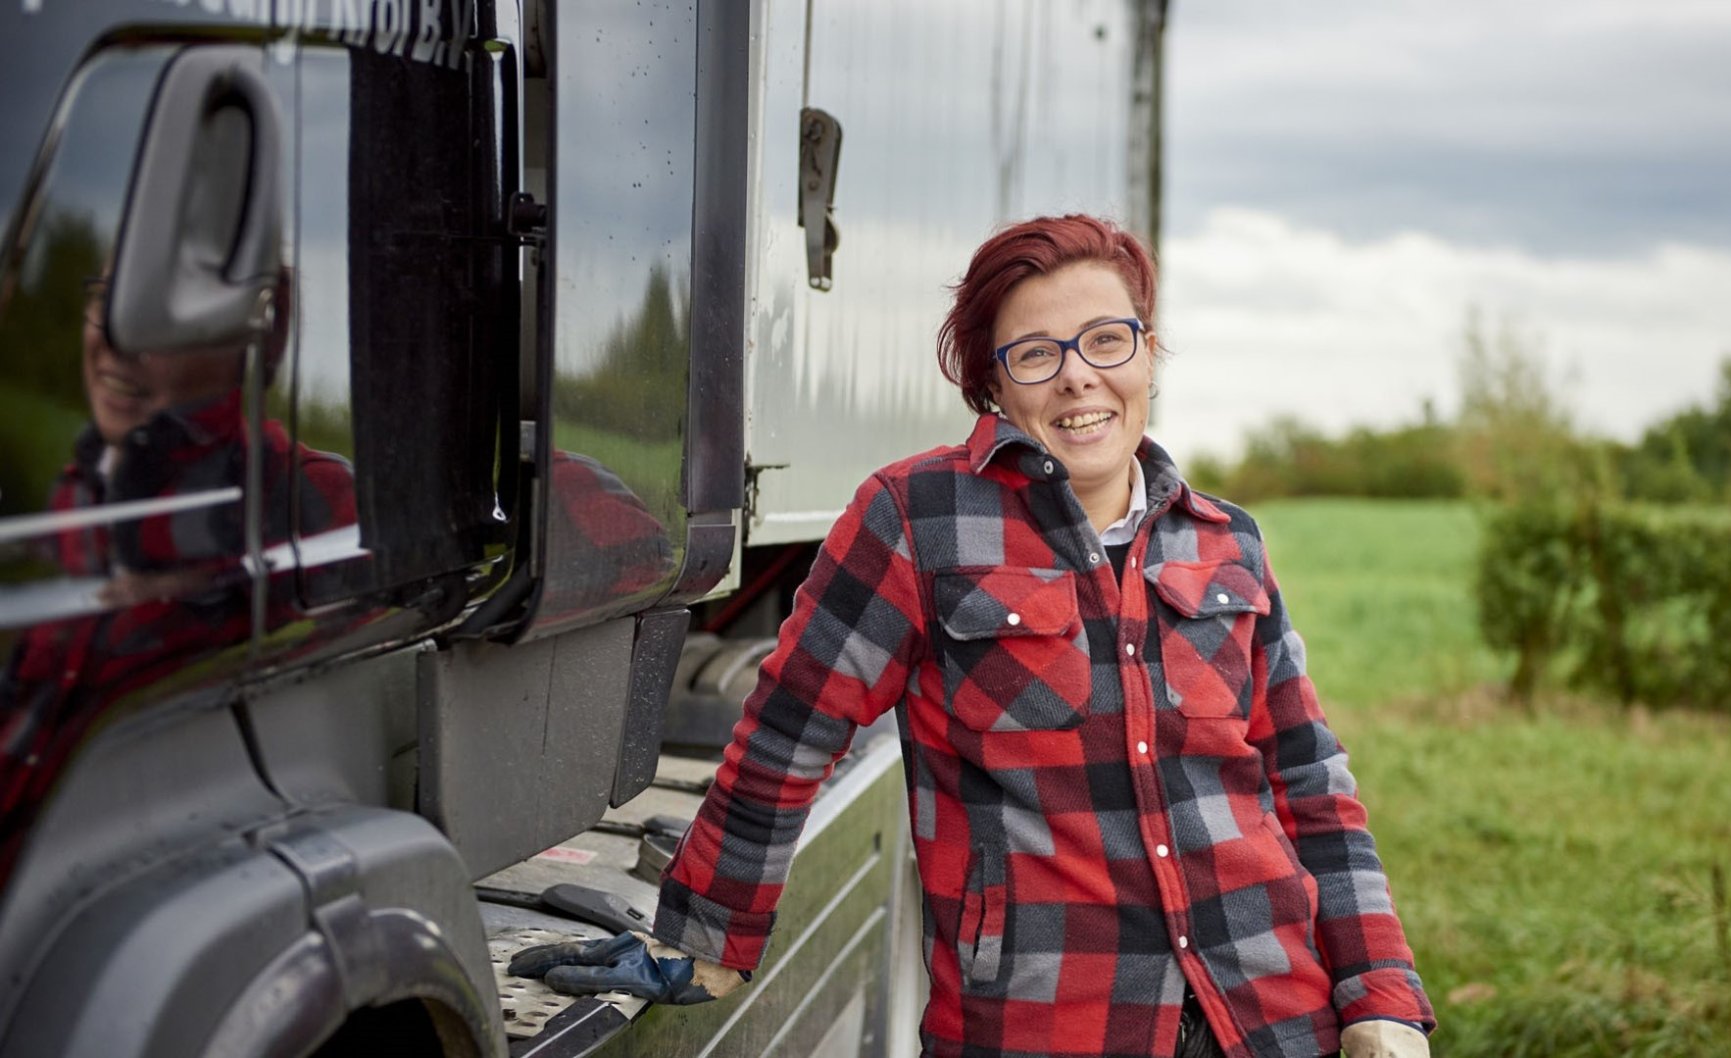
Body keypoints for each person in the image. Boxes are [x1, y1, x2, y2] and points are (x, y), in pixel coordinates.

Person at [510, 215, 1436, 1058]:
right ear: (992, 382)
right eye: (1036, 354)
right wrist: (707, 938)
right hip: (1047, 1027)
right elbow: (788, 736)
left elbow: (1309, 783)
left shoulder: (1227, 539)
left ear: (1149, 354)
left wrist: (1378, 992)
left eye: (1108, 341)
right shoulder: (915, 518)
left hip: (1274, 1021)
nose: (1079, 375)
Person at [0, 269, 356, 886]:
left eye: (156, 315)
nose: (116, 340)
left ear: (244, 345)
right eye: (101, 302)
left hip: (140, 887)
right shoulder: (80, 486)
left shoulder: (305, 501)